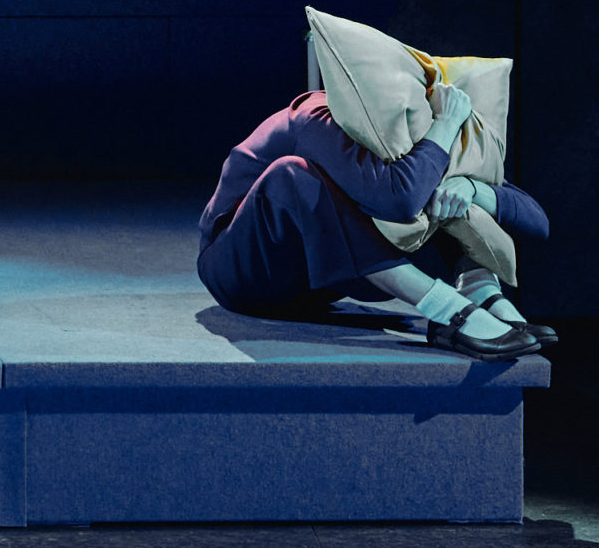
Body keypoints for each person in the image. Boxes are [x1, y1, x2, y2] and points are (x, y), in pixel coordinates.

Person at [197, 77, 553, 362]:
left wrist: (472, 189)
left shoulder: (417, 127)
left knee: (446, 190)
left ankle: (481, 292)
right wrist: (444, 126)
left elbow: (537, 222)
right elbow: (400, 200)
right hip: (243, 273)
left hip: (318, 288)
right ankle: (449, 310)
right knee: (294, 174)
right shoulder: (320, 118)